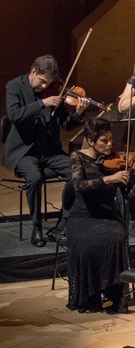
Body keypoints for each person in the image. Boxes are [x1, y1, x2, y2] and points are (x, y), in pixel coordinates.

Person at [66, 117, 135, 313]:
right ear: (91, 141)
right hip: (82, 217)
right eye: (104, 141)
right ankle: (92, 294)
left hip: (108, 216)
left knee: (116, 238)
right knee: (88, 242)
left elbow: (127, 196)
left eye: (110, 140)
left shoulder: (116, 162)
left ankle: (111, 293)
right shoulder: (78, 157)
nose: (110, 145)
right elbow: (79, 186)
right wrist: (109, 179)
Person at [5, 55, 88, 247]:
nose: (44, 87)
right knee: (34, 178)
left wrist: (78, 114)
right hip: (24, 152)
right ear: (33, 71)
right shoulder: (14, 87)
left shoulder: (54, 92)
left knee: (78, 172)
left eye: (48, 84)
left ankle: (64, 222)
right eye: (42, 82)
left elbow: (66, 125)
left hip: (50, 151)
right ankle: (37, 227)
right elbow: (15, 115)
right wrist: (42, 103)